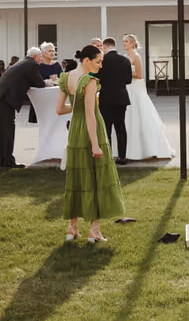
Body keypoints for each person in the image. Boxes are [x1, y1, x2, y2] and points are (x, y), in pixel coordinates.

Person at [57, 44, 125, 243]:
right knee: (96, 179)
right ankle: (94, 231)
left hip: (74, 132)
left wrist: (77, 107)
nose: (101, 66)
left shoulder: (65, 77)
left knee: (77, 177)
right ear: (86, 61)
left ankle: (72, 228)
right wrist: (95, 144)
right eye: (98, 62)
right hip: (90, 132)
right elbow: (90, 115)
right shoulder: (91, 81)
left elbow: (60, 109)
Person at [0, 47, 46, 168]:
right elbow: (40, 84)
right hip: (5, 98)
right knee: (7, 129)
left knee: (3, 130)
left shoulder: (24, 63)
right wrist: (49, 82)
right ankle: (7, 161)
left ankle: (4, 160)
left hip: (0, 96)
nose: (42, 58)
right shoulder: (31, 64)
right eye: (41, 56)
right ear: (35, 56)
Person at [122, 33, 175, 160]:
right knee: (128, 115)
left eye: (127, 41)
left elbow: (139, 74)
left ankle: (149, 147)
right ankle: (129, 148)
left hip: (136, 87)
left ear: (133, 43)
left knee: (140, 113)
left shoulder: (136, 56)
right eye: (123, 41)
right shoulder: (125, 56)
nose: (124, 43)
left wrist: (125, 72)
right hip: (128, 87)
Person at [97, 38, 133, 165]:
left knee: (106, 127)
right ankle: (122, 157)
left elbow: (97, 78)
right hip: (121, 97)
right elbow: (129, 80)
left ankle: (108, 157)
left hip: (106, 97)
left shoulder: (102, 60)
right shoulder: (125, 60)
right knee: (120, 127)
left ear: (105, 47)